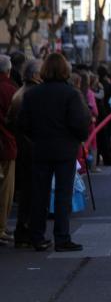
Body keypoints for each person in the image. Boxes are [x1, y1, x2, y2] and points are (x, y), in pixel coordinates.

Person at [18, 53, 90, 252]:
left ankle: (37, 236)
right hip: (65, 149)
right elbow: (80, 123)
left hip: (40, 148)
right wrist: (76, 137)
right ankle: (61, 237)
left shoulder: (32, 94)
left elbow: (23, 123)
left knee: (39, 194)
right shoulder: (71, 94)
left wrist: (37, 137)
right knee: (62, 194)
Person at [7, 59, 42, 248]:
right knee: (33, 193)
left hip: (21, 146)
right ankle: (27, 231)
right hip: (32, 148)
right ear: (36, 75)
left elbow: (10, 120)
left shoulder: (19, 92)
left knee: (26, 193)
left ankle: (23, 230)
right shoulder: (33, 94)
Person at [0, 55, 18, 245]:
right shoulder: (9, 89)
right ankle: (0, 227)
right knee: (5, 190)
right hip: (5, 146)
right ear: (8, 70)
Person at [95, 65, 111, 166]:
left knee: (100, 137)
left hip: (101, 113)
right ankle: (106, 158)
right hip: (106, 113)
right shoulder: (105, 84)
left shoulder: (98, 85)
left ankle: (98, 157)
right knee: (105, 137)